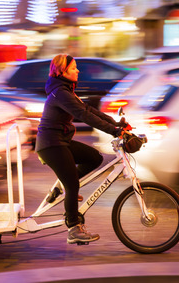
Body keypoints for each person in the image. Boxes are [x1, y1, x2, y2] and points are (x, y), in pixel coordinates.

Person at [35, 54, 127, 244]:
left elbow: (89, 110)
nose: (78, 70)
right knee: (72, 184)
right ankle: (74, 228)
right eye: (74, 67)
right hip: (51, 144)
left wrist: (116, 124)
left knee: (94, 158)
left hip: (60, 141)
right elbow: (84, 115)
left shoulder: (65, 90)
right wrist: (114, 131)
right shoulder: (60, 93)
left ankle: (62, 184)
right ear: (62, 71)